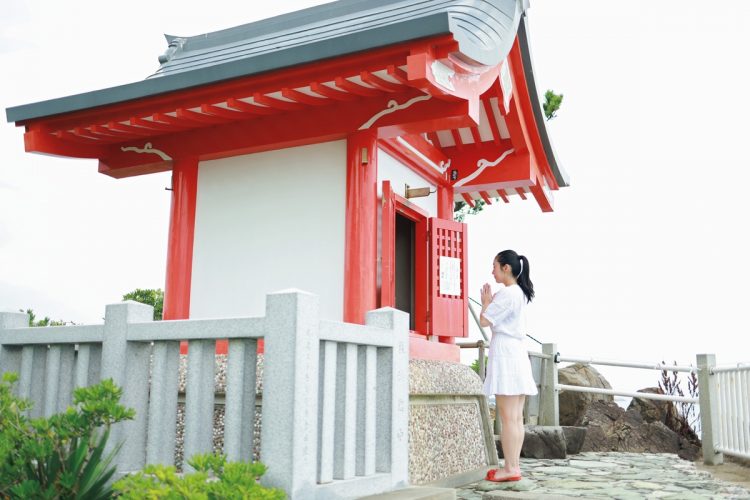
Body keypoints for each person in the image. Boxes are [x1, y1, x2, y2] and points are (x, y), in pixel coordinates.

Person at [480, 250, 538, 482]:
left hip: (506, 354)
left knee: (508, 417)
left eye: (494, 266)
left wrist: (485, 303)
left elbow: (485, 320)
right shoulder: (520, 293)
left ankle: (510, 469)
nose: (492, 271)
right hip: (517, 354)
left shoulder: (508, 293)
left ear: (506, 268)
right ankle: (513, 467)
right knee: (515, 417)